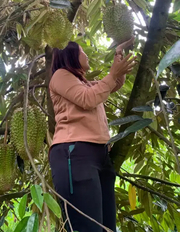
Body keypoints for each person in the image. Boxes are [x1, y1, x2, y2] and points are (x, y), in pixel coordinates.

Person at [49, 38, 136, 232]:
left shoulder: (84, 83)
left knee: (106, 227)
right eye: (82, 51)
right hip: (75, 154)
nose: (86, 54)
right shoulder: (60, 76)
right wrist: (114, 73)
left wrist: (118, 58)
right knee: (87, 227)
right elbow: (88, 99)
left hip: (100, 156)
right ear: (70, 55)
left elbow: (109, 86)